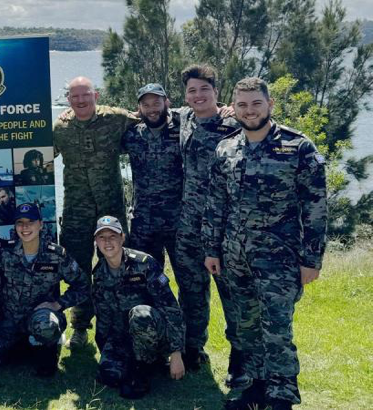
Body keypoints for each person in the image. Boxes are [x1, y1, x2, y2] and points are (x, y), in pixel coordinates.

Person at [203, 77, 327, 410]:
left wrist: (311, 260)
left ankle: (282, 394)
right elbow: (216, 204)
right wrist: (212, 249)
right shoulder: (226, 148)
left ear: (270, 104)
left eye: (256, 103)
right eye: (241, 105)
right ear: (235, 108)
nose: (249, 111)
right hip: (234, 255)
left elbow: (315, 208)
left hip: (279, 258)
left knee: (276, 329)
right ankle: (255, 389)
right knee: (244, 327)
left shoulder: (298, 147)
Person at [53, 76, 139, 348]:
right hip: (76, 208)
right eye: (74, 96)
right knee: (77, 268)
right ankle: (80, 327)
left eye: (85, 95)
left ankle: (119, 324)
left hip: (110, 207)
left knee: (116, 266)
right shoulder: (61, 127)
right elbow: (39, 154)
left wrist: (222, 110)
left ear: (96, 95)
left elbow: (152, 117)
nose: (80, 101)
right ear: (68, 100)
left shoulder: (116, 118)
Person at [173, 64, 246, 386]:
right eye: (192, 90)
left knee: (233, 296)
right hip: (188, 226)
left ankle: (241, 360)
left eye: (204, 89)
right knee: (191, 294)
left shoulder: (234, 123)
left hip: (223, 227)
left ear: (216, 91)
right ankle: (193, 350)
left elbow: (265, 127)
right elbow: (148, 111)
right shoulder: (184, 118)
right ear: (186, 96)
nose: (198, 95)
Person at [0, 203, 90, 376]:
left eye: (30, 221)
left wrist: (58, 304)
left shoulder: (56, 255)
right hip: (9, 322)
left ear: (40, 224)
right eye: (20, 222)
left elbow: (83, 285)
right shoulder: (4, 254)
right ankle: (18, 348)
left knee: (45, 366)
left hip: (40, 320)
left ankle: (43, 351)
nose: (25, 227)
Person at [92, 215, 185, 399]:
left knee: (140, 314)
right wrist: (105, 351)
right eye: (102, 237)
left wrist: (176, 353)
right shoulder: (100, 273)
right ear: (96, 241)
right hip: (123, 337)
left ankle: (143, 368)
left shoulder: (144, 264)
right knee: (109, 376)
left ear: (122, 238)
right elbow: (103, 315)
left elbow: (170, 307)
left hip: (153, 333)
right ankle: (138, 362)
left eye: (113, 236)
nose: (107, 242)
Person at [121, 84, 182, 272]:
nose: (152, 109)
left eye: (156, 103)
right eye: (145, 105)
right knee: (144, 276)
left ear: (167, 102)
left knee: (189, 281)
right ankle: (149, 304)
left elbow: (205, 113)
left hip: (178, 219)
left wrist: (225, 108)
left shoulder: (183, 130)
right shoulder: (132, 134)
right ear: (139, 109)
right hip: (144, 219)